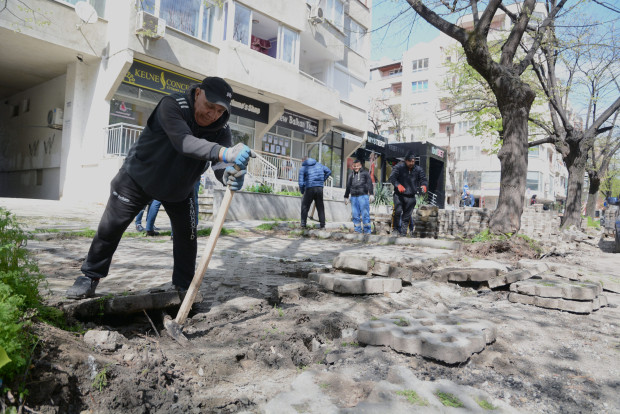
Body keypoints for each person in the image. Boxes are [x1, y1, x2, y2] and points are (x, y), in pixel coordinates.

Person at [66, 77, 255, 299]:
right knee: (110, 228)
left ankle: (183, 289)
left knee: (187, 237)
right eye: (210, 107)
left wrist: (228, 176)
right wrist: (225, 152)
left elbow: (220, 167)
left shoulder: (221, 130)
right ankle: (89, 276)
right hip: (137, 179)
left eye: (221, 110)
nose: (213, 115)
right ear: (197, 94)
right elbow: (183, 141)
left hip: (181, 189)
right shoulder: (172, 105)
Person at [389, 151, 428, 237]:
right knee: (398, 212)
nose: (412, 163)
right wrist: (398, 185)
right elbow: (392, 177)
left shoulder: (418, 169)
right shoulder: (398, 167)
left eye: (413, 161)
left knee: (407, 216)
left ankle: (403, 234)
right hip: (399, 195)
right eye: (410, 161)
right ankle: (395, 230)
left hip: (411, 196)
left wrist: (424, 185)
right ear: (405, 160)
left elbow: (423, 179)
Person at [299, 156, 331, 229]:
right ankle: (322, 225)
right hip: (319, 188)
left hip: (309, 187)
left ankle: (303, 224)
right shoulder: (319, 165)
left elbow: (301, 182)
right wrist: (322, 180)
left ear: (303, 161)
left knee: (305, 206)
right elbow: (329, 171)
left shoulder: (303, 168)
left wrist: (302, 191)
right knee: (320, 206)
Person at [344, 159, 374, 234]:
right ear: (352, 166)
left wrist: (371, 194)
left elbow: (370, 183)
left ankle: (367, 231)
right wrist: (346, 196)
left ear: (360, 166)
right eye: (354, 166)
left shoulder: (365, 174)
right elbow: (348, 186)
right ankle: (357, 230)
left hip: (363, 197)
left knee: (365, 214)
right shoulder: (351, 175)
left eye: (357, 166)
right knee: (355, 214)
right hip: (353, 197)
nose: (356, 167)